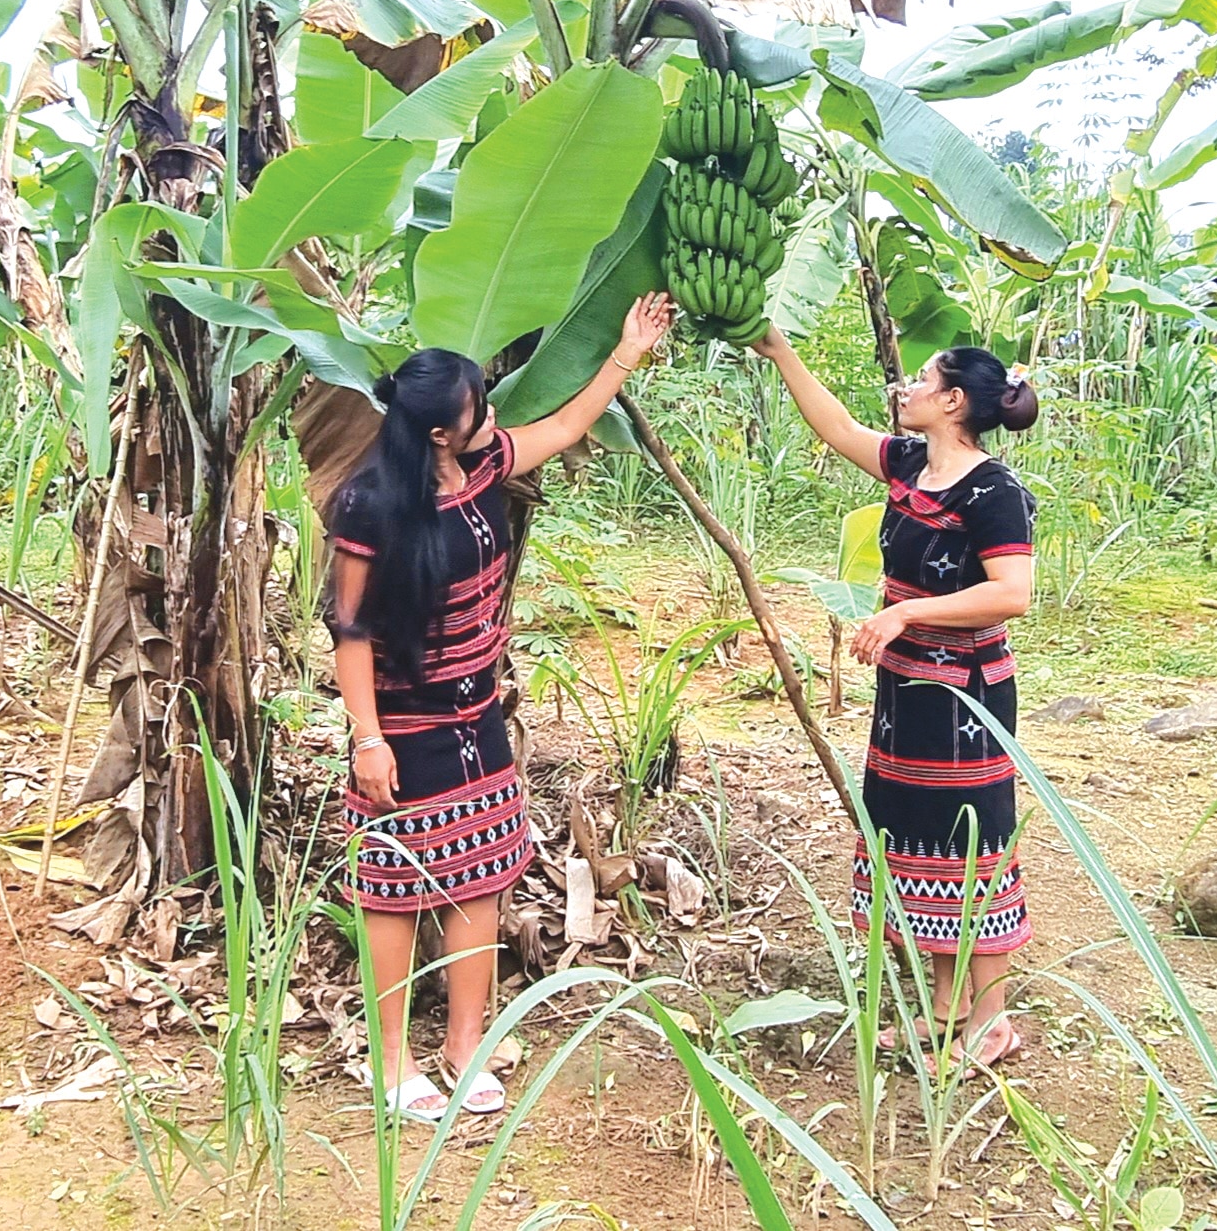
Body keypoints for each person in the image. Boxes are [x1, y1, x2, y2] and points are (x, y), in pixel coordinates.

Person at [327, 293, 675, 1122]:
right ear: (438, 431)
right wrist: (367, 739)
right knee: (394, 891)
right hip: (405, 723)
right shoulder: (368, 503)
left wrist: (625, 352)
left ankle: (463, 1046)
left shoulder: (484, 463)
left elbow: (561, 426)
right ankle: (391, 1062)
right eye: (476, 406)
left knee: (479, 880)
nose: (491, 411)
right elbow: (348, 631)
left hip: (477, 713)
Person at [752, 328, 1040, 1066]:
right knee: (919, 840)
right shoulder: (910, 463)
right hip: (905, 692)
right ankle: (946, 1009)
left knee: (970, 844)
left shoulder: (992, 491)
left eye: (922, 378)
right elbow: (838, 428)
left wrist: (907, 611)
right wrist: (782, 349)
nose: (906, 386)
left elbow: (1012, 592)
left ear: (951, 401)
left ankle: (990, 1022)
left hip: (965, 701)